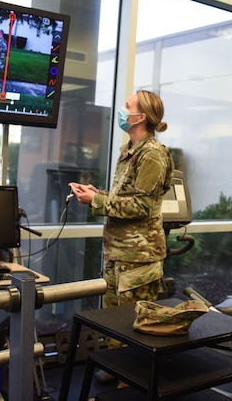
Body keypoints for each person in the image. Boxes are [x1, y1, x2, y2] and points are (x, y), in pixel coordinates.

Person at [69, 90, 174, 308]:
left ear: (141, 117)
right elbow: (125, 197)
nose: (122, 110)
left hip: (138, 260)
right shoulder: (130, 150)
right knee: (111, 329)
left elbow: (141, 206)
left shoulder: (152, 154)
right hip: (118, 255)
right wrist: (97, 194)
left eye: (127, 106)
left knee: (129, 330)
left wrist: (95, 201)